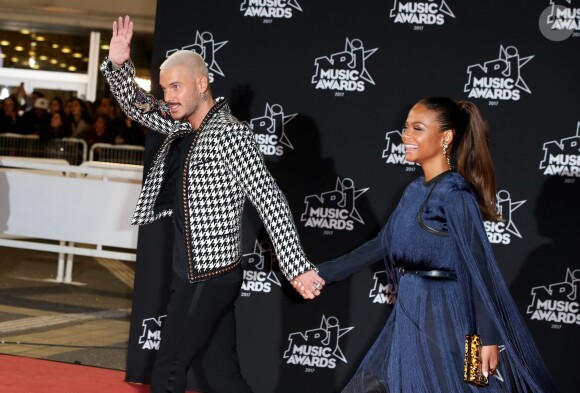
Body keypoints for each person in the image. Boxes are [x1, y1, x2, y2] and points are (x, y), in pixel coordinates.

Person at [101, 15, 325, 393]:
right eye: (164, 87)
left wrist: (296, 266)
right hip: (189, 272)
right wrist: (121, 66)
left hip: (209, 276)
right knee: (222, 374)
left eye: (176, 87)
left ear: (202, 84)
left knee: (169, 366)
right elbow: (137, 106)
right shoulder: (181, 125)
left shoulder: (231, 134)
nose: (168, 96)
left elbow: (269, 198)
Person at [293, 97, 557, 392]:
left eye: (417, 129)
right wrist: (321, 273)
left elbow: (479, 269)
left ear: (446, 137)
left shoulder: (455, 193)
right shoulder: (414, 190)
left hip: (446, 320)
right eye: (406, 128)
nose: (405, 136)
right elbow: (383, 244)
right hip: (410, 312)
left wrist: (487, 340)